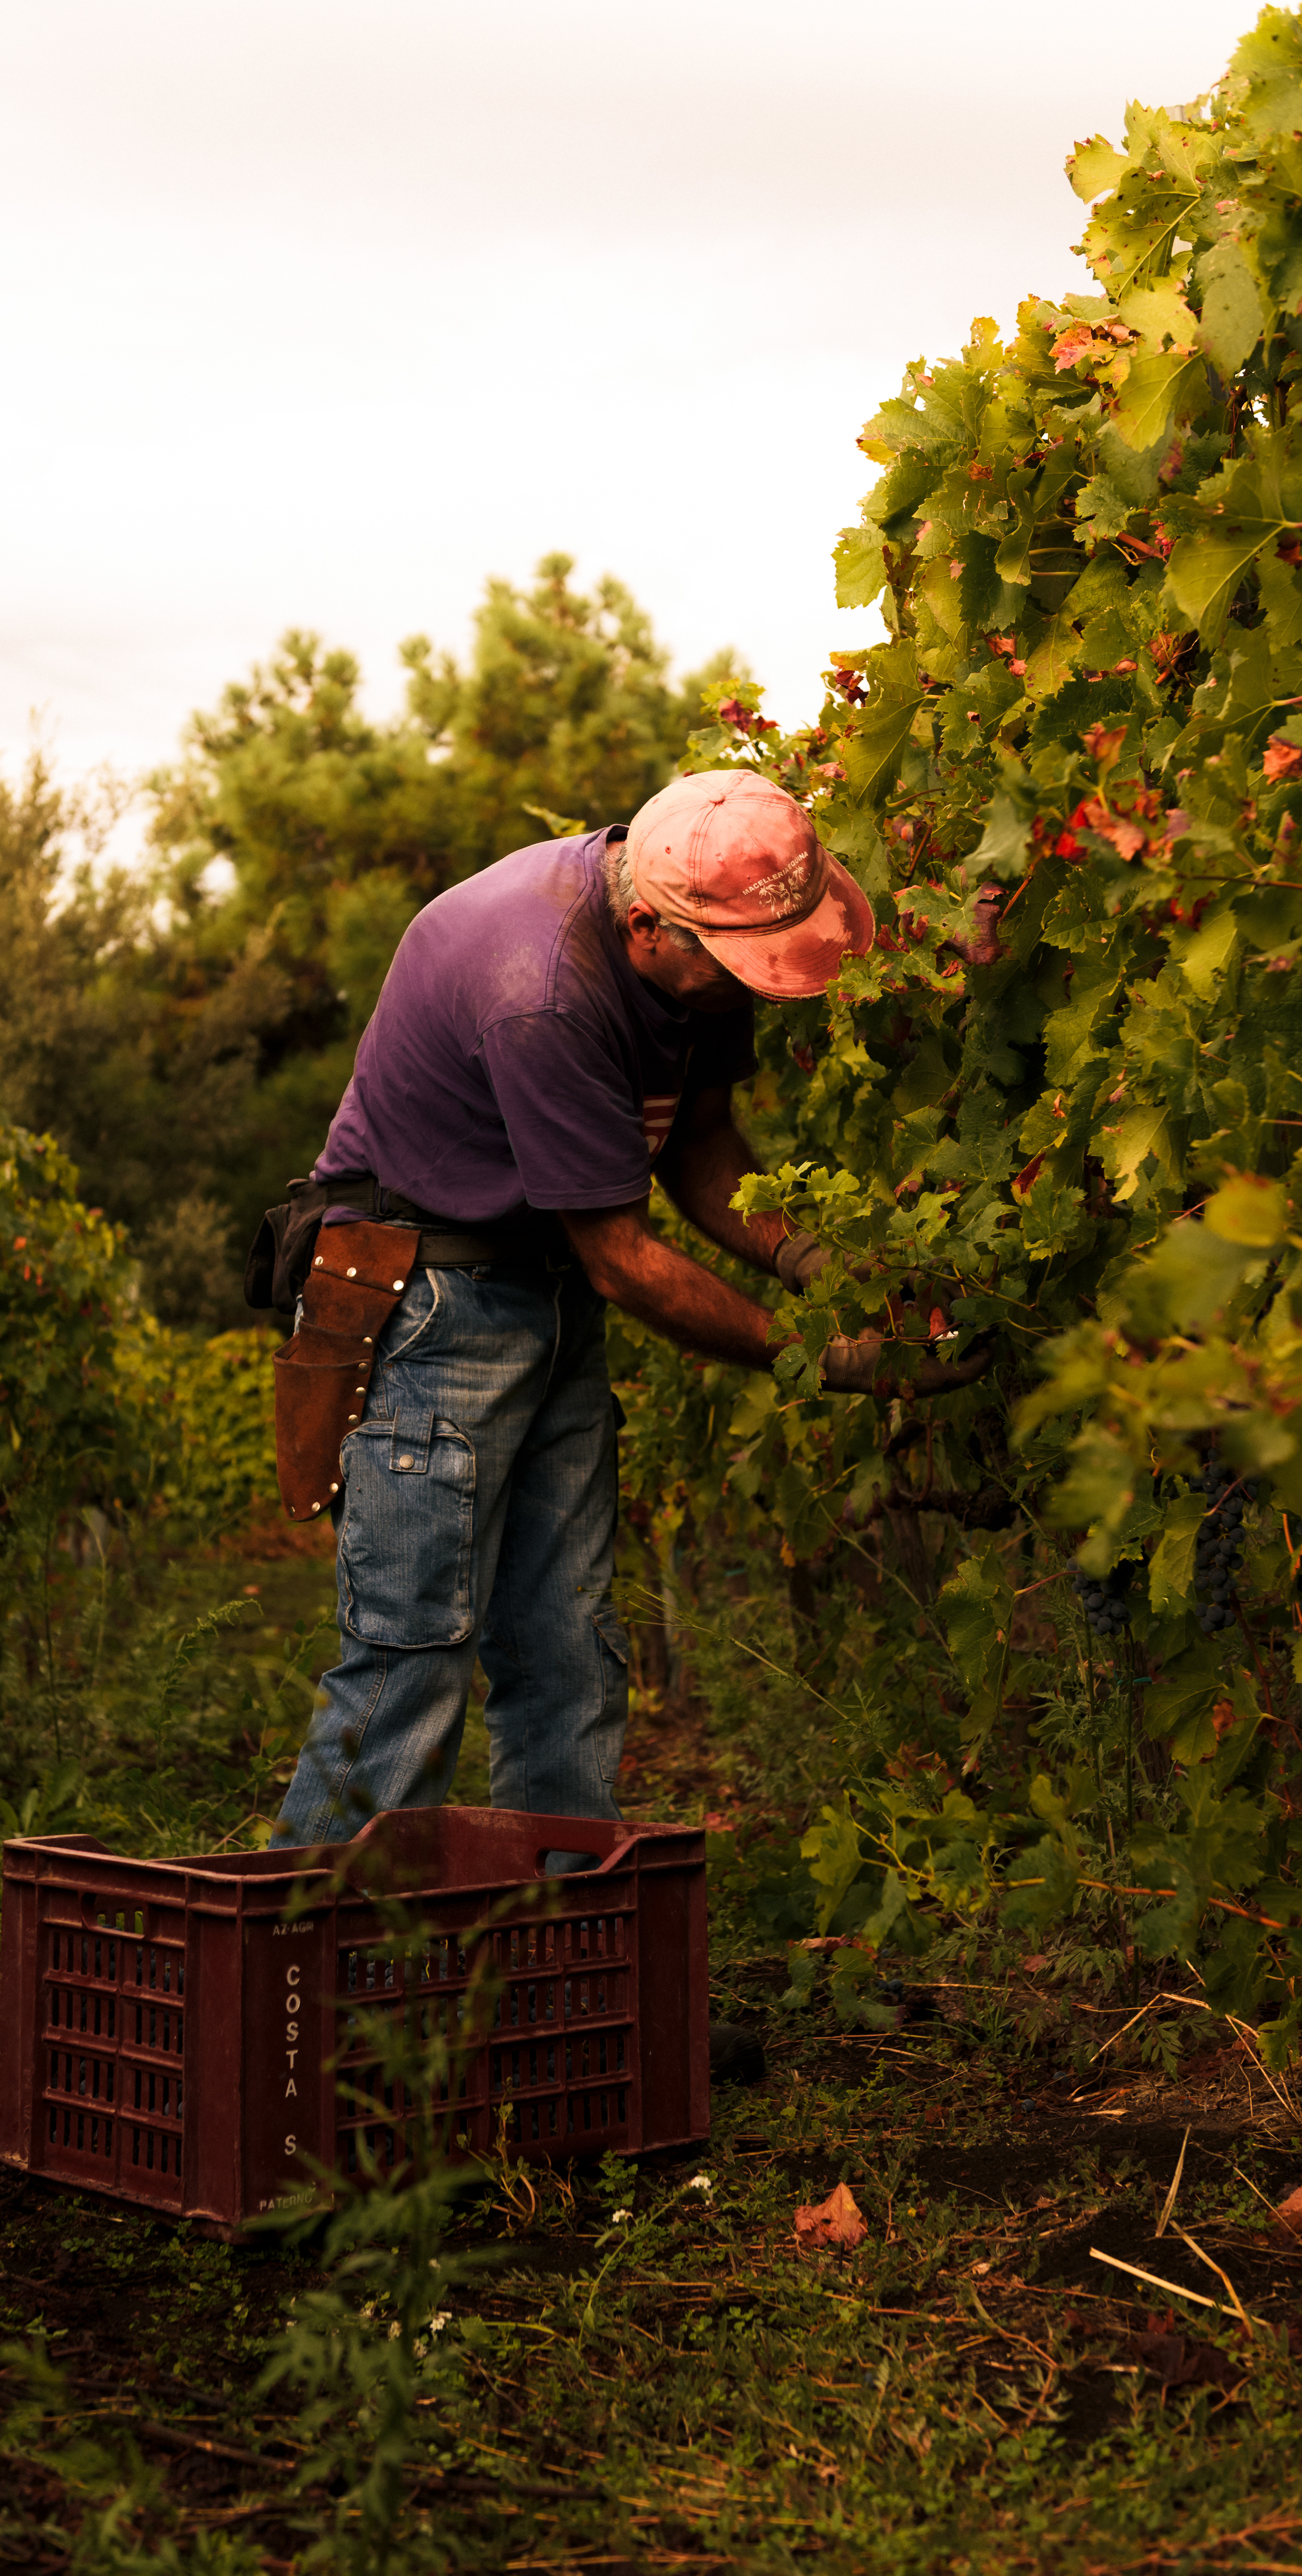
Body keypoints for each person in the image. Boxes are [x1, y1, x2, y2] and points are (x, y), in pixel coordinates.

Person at [260, 767, 993, 1858]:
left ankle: (552, 1969)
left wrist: (820, 1263)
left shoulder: (703, 945)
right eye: (733, 968)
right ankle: (308, 1979)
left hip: (539, 1285)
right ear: (649, 926)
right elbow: (623, 1259)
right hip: (431, 1303)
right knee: (410, 1656)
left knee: (567, 1648)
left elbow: (698, 1148)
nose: (749, 986)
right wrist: (830, 1360)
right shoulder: (540, 983)